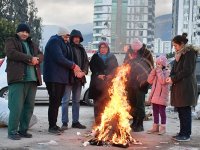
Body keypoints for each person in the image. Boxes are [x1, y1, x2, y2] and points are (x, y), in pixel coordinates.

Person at [5, 23, 43, 140]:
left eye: (27, 32)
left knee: (29, 107)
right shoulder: (11, 41)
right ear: (18, 32)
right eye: (22, 31)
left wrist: (37, 59)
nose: (25, 34)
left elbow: (41, 55)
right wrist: (29, 58)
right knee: (16, 107)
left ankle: (23, 130)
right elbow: (11, 53)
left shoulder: (32, 44)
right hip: (18, 80)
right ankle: (12, 132)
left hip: (32, 80)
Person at [43, 27, 80, 134]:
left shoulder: (64, 43)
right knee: (54, 102)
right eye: (66, 36)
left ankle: (54, 125)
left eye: (69, 36)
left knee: (57, 102)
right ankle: (52, 126)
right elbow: (59, 58)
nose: (68, 38)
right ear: (61, 34)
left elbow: (68, 56)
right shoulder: (54, 41)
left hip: (61, 78)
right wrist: (73, 66)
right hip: (53, 77)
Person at [166, 33, 198, 142]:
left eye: (175, 45)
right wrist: (171, 77)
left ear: (182, 44)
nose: (174, 47)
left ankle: (186, 134)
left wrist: (173, 78)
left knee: (185, 111)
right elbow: (175, 68)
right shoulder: (179, 54)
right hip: (179, 86)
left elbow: (187, 70)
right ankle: (182, 132)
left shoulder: (189, 53)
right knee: (181, 111)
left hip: (186, 86)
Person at [61, 29, 89, 130]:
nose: (76, 39)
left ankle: (75, 122)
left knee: (77, 101)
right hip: (68, 77)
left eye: (78, 38)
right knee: (65, 100)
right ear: (72, 38)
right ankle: (64, 122)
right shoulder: (67, 47)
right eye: (75, 37)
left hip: (79, 78)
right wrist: (74, 71)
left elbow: (86, 62)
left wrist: (83, 72)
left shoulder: (82, 49)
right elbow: (64, 61)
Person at [127, 38, 154, 132]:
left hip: (141, 83)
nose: (135, 50)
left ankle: (140, 123)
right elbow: (125, 64)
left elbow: (150, 67)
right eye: (133, 49)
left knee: (140, 104)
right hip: (130, 82)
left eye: (136, 49)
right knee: (132, 104)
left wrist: (143, 78)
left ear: (140, 47)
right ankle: (134, 121)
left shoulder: (146, 53)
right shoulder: (129, 52)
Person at [89, 41, 118, 125]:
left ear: (107, 48)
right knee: (97, 104)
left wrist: (111, 75)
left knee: (107, 103)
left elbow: (116, 68)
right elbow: (92, 68)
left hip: (108, 84)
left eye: (105, 47)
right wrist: (98, 75)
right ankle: (98, 123)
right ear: (99, 49)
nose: (103, 49)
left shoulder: (112, 57)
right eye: (101, 48)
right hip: (97, 84)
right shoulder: (95, 56)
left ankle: (106, 122)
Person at [147, 55, 170, 135]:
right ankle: (155, 127)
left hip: (162, 96)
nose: (157, 66)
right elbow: (149, 81)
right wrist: (153, 72)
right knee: (155, 112)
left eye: (159, 64)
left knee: (162, 112)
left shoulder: (167, 72)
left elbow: (163, 81)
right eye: (156, 64)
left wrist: (159, 71)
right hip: (155, 95)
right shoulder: (156, 72)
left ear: (163, 65)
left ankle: (163, 128)